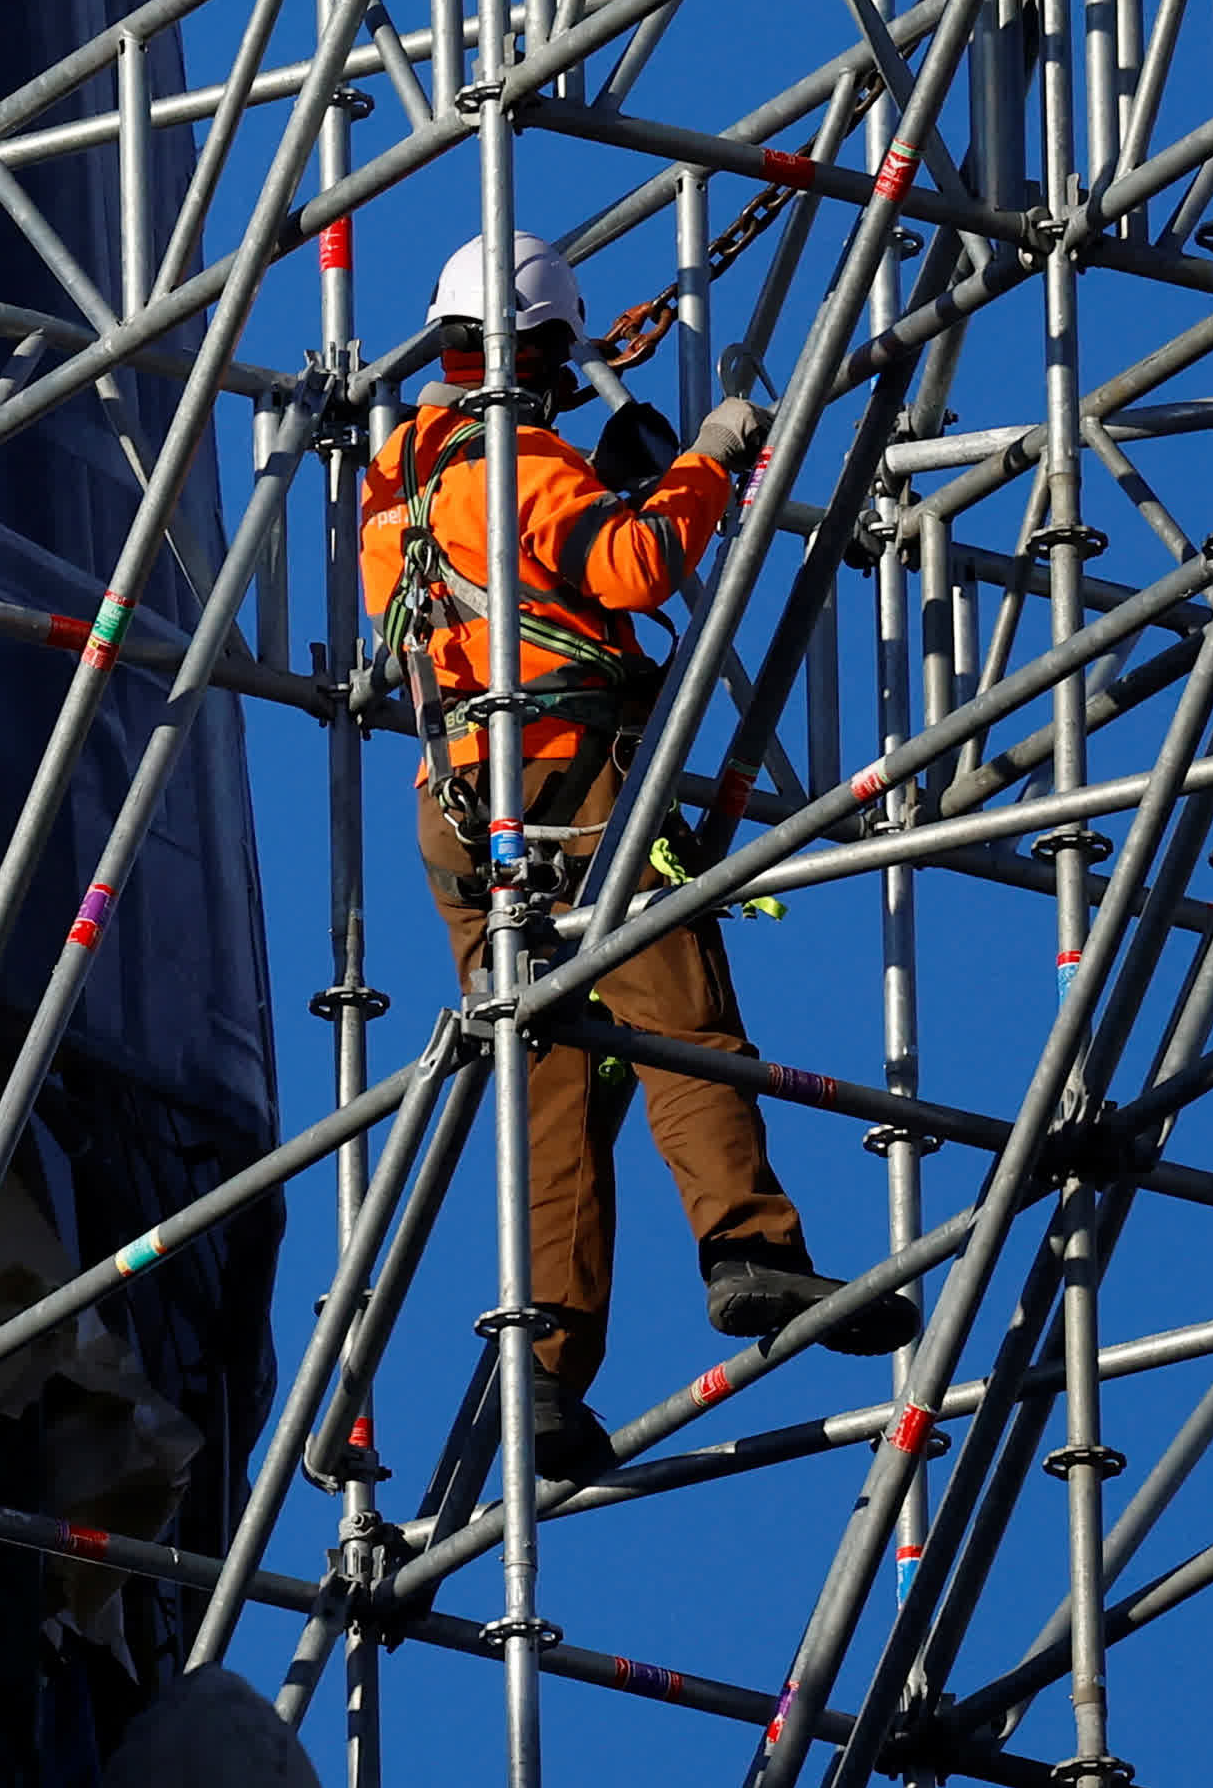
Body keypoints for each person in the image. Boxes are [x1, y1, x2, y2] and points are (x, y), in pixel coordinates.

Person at [360, 230, 916, 1488]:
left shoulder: (393, 481)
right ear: (544, 353)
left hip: (459, 808)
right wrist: (707, 467)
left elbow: (530, 577)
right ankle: (748, 1248)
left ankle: (545, 1375)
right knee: (677, 1013)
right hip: (568, 776)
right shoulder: (524, 457)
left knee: (553, 1070)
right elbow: (631, 564)